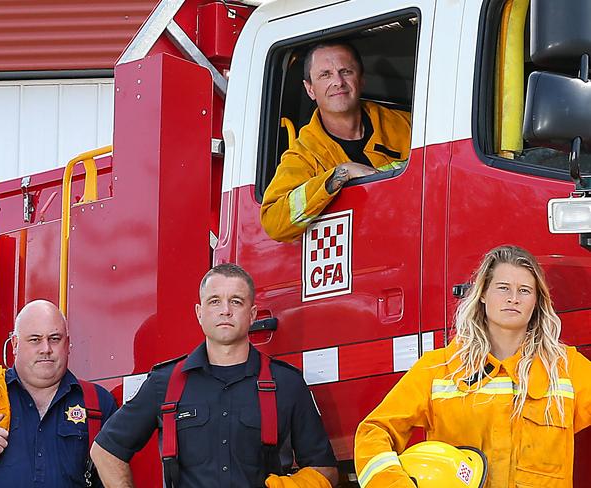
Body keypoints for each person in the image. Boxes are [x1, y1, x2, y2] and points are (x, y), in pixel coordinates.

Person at [353, 245, 591, 487]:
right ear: (483, 294)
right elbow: (374, 431)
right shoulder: (439, 369)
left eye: (525, 290)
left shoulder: (565, 368)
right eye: (503, 288)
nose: (513, 298)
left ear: (537, 301)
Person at [91, 263, 338, 487]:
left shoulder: (286, 383)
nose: (226, 311)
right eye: (215, 301)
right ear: (200, 313)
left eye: (237, 301)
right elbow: (105, 451)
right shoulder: (164, 384)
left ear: (252, 315)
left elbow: (325, 470)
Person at [0, 300, 117, 487]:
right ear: (15, 344)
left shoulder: (97, 404)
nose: (46, 349)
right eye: (35, 339)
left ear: (68, 344)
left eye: (54, 339)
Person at [260, 41, 412, 242]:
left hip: (413, 238)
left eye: (346, 71)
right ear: (310, 89)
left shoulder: (408, 125)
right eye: (325, 75)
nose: (338, 82)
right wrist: (340, 174)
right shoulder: (305, 153)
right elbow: (273, 221)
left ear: (361, 79)